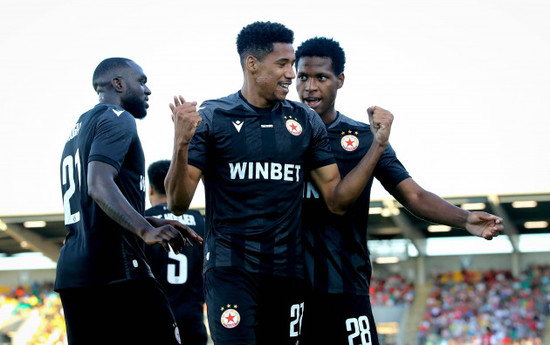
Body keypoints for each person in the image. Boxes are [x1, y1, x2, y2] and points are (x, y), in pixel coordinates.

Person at [165, 21, 394, 345]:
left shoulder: (305, 120)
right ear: (252, 64)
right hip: (231, 271)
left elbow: (337, 199)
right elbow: (177, 202)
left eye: (292, 64)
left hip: (288, 274)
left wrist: (377, 146)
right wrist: (181, 145)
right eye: (282, 64)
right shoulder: (215, 117)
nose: (291, 73)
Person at [294, 37, 503, 345]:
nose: (310, 87)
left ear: (339, 80)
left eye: (321, 77)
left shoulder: (365, 139)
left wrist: (465, 219)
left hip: (347, 286)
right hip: (289, 290)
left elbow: (413, 195)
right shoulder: (278, 136)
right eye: (303, 77)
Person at [57, 57, 202, 345]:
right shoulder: (118, 118)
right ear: (119, 84)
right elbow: (98, 185)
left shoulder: (80, 127)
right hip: (117, 272)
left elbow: (92, 207)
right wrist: (145, 230)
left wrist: (149, 219)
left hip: (75, 276)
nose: (147, 90)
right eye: (142, 81)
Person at [144, 160, 208, 345]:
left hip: (155, 319)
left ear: (151, 189)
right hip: (192, 317)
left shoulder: (141, 222)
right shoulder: (200, 221)